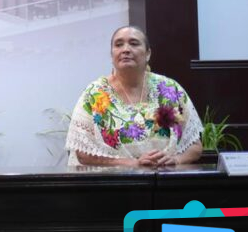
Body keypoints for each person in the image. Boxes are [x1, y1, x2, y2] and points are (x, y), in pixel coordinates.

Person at [66, 25, 202, 167]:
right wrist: (132, 163)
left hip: (166, 177)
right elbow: (82, 153)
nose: (126, 49)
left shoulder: (170, 89)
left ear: (148, 53)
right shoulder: (94, 94)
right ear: (112, 55)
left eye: (134, 43)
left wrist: (177, 160)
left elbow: (195, 146)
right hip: (114, 179)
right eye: (119, 45)